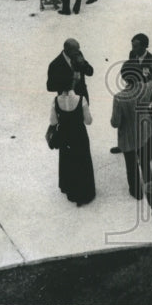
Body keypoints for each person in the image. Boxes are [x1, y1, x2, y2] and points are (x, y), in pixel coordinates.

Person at [47, 39, 96, 206]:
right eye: (75, 51)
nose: (78, 53)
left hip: (80, 101)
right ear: (66, 50)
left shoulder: (78, 56)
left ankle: (72, 181)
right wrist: (69, 81)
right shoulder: (55, 64)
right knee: (70, 145)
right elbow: (49, 86)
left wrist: (83, 64)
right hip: (65, 104)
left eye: (79, 51)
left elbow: (90, 72)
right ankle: (71, 183)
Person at [110, 72, 152, 200]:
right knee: (145, 160)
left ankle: (136, 191)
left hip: (128, 136)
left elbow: (115, 122)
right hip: (144, 131)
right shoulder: (145, 89)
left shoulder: (119, 97)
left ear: (124, 78)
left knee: (131, 164)